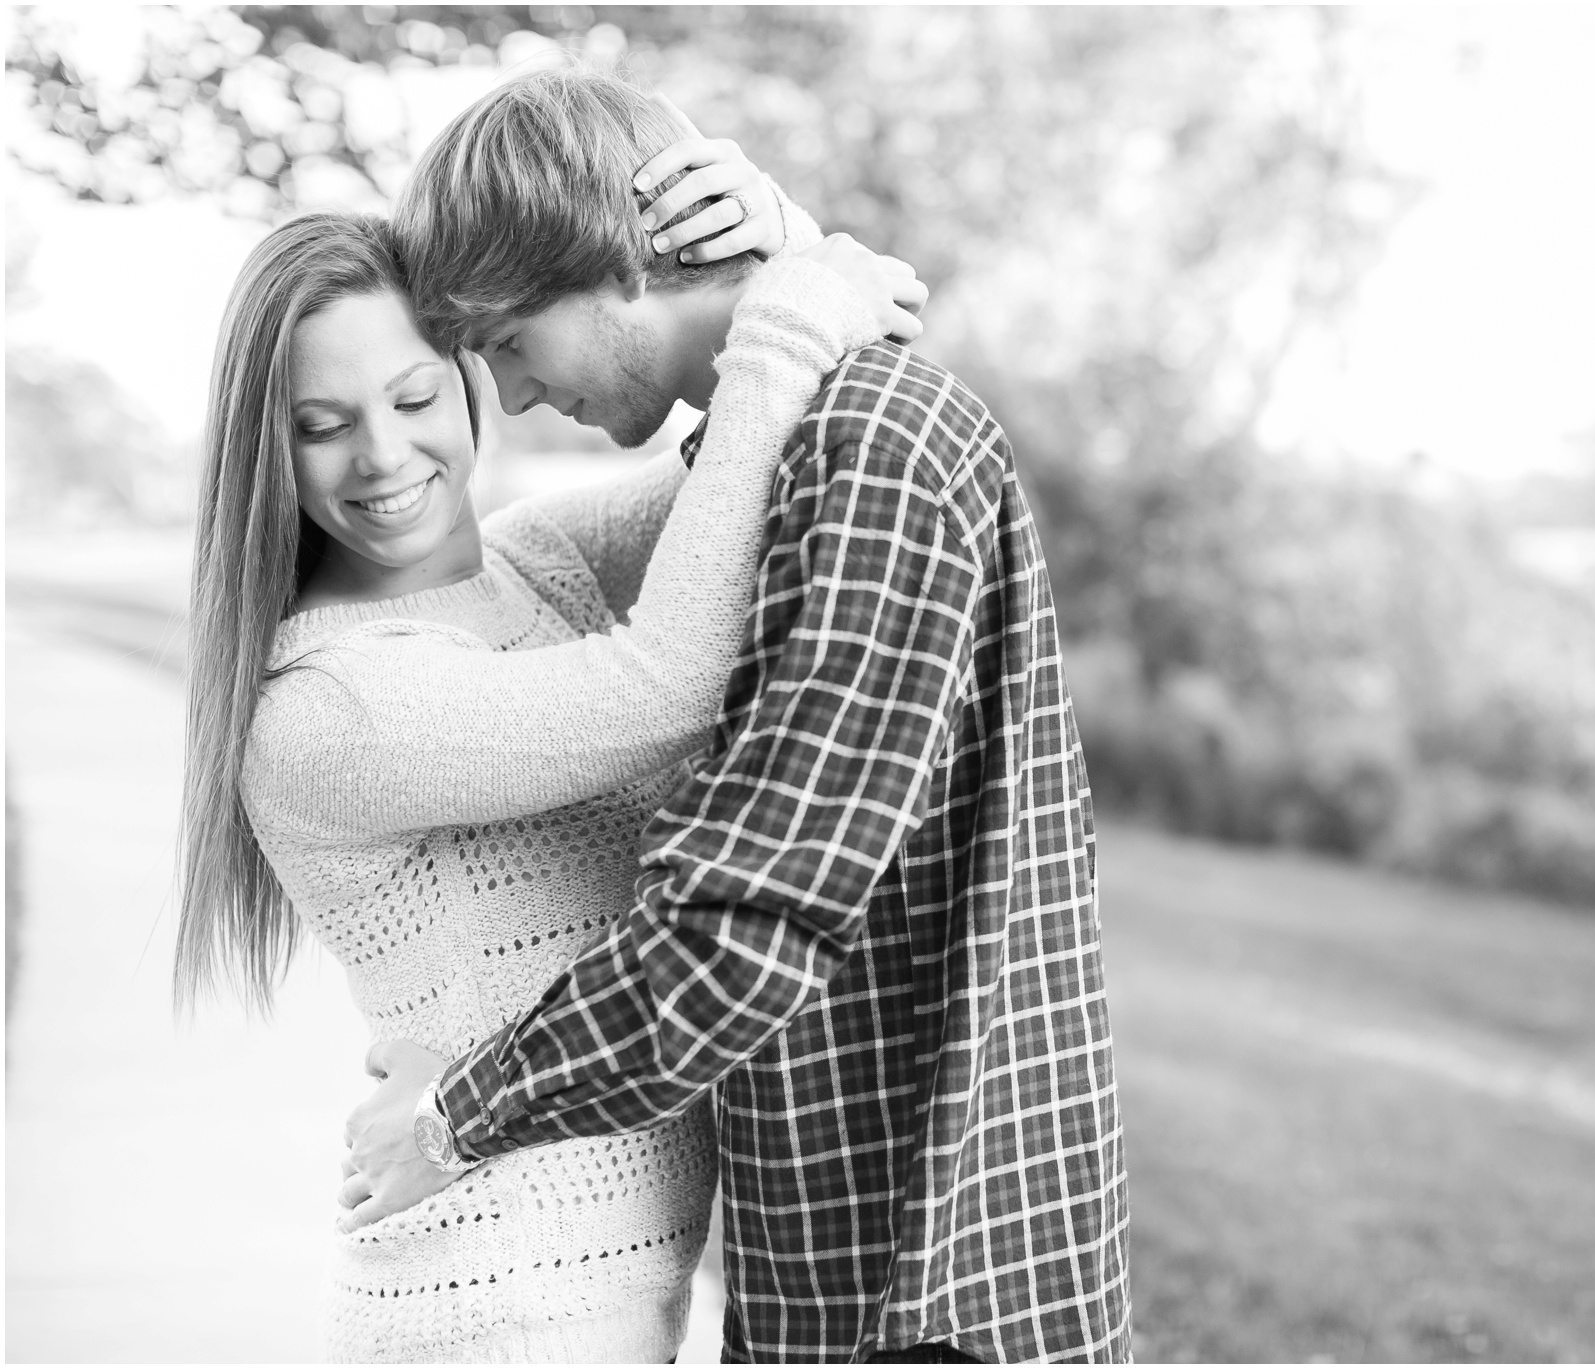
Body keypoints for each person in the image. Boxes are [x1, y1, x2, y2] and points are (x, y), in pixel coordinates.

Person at [336, 67, 1133, 1363]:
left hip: (925, 1290)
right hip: (847, 1261)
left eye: (505, 343)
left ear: (618, 262)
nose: (515, 399)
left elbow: (744, 931)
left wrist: (450, 1120)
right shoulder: (783, 445)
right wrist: (802, 267)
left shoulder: (867, 445)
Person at [177, 95, 925, 1359]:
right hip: (498, 1312)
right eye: (320, 427)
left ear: (475, 368)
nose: (381, 456)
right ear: (270, 455)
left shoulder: (533, 570)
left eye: (413, 395)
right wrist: (788, 309)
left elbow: (758, 459)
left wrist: (763, 244)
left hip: (595, 1302)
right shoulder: (329, 707)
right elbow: (664, 683)